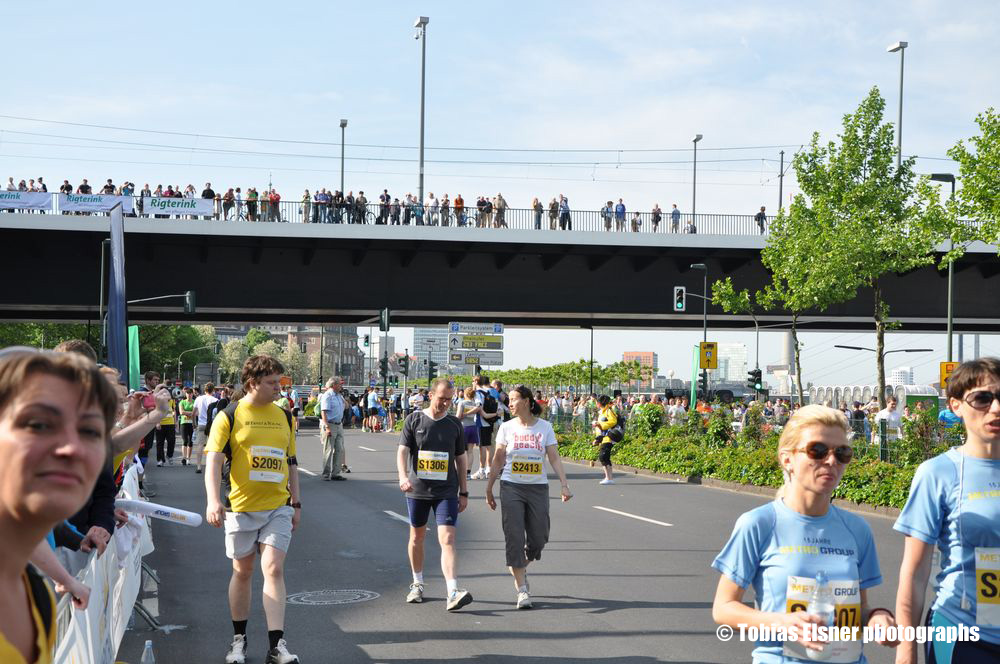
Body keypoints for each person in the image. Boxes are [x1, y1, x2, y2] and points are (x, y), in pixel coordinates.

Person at [711, 405, 897, 663]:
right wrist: (782, 622)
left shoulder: (857, 529)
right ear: (787, 459)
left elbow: (859, 610)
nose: (831, 461)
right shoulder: (759, 523)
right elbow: (723, 609)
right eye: (818, 451)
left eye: (842, 453)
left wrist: (878, 616)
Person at [0, 348, 119, 664]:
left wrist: (65, 580)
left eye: (90, 430)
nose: (72, 448)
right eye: (39, 424)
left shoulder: (38, 598)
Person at [893, 358, 1000, 664]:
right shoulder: (938, 473)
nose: (995, 408)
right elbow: (914, 573)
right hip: (961, 633)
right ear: (955, 406)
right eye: (982, 398)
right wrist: (906, 649)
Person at [205, 356, 301, 664]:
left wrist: (296, 502)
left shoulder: (285, 416)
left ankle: (277, 645)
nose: (278, 389)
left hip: (278, 507)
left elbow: (291, 462)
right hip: (240, 507)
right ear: (252, 383)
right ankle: (239, 640)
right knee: (242, 572)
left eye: (280, 383)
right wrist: (213, 500)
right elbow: (214, 461)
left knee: (273, 568)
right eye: (273, 383)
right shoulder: (229, 415)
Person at [485, 386, 573, 609]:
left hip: (538, 488)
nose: (510, 403)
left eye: (514, 400)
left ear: (526, 401)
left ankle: (520, 565)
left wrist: (564, 485)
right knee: (513, 536)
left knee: (539, 537)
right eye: (509, 400)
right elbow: (497, 459)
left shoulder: (545, 428)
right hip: (511, 486)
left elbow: (553, 457)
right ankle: (522, 589)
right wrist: (489, 487)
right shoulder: (506, 428)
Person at [396, 378, 473, 611]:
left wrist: (464, 491)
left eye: (450, 400)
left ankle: (452, 591)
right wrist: (402, 476)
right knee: (417, 538)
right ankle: (417, 583)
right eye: (442, 399)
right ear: (431, 395)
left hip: (446, 491)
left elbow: (461, 459)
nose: (446, 404)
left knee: (448, 539)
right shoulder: (415, 419)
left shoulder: (454, 424)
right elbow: (403, 451)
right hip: (418, 490)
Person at [319, 377, 347, 481]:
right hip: (330, 424)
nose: (341, 386)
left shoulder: (339, 395)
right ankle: (326, 473)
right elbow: (324, 412)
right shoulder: (328, 395)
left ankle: (336, 473)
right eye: (339, 384)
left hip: (339, 425)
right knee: (328, 449)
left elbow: (347, 406)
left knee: (339, 449)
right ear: (334, 385)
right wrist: (327, 427)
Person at [456, 386, 483, 477]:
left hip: (464, 428)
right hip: (473, 427)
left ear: (465, 394)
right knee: (470, 451)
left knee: (461, 451)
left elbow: (458, 416)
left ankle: (460, 471)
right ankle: (468, 472)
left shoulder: (462, 403)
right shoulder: (475, 404)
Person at [192, 382, 219, 474]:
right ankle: (210, 466)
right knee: (212, 446)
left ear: (205, 390)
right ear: (213, 390)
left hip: (201, 424)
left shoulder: (198, 399)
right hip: (212, 425)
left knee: (200, 445)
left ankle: (199, 466)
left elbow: (193, 413)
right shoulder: (215, 400)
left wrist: (194, 423)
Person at [591, 395, 618, 485]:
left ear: (599, 403)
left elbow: (613, 421)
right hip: (603, 438)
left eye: (596, 402)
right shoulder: (602, 412)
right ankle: (609, 478)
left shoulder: (608, 411)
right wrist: (597, 439)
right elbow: (600, 429)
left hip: (608, 438)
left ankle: (608, 478)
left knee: (603, 457)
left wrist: (600, 424)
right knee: (605, 458)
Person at [178, 388, 195, 465]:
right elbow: (181, 412)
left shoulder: (195, 402)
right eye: (187, 393)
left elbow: (196, 413)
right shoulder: (182, 402)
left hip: (192, 423)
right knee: (185, 440)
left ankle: (188, 458)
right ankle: (184, 458)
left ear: (192, 394)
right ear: (185, 394)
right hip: (184, 423)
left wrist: (187, 412)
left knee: (190, 441)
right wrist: (191, 413)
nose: (189, 395)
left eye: (190, 393)